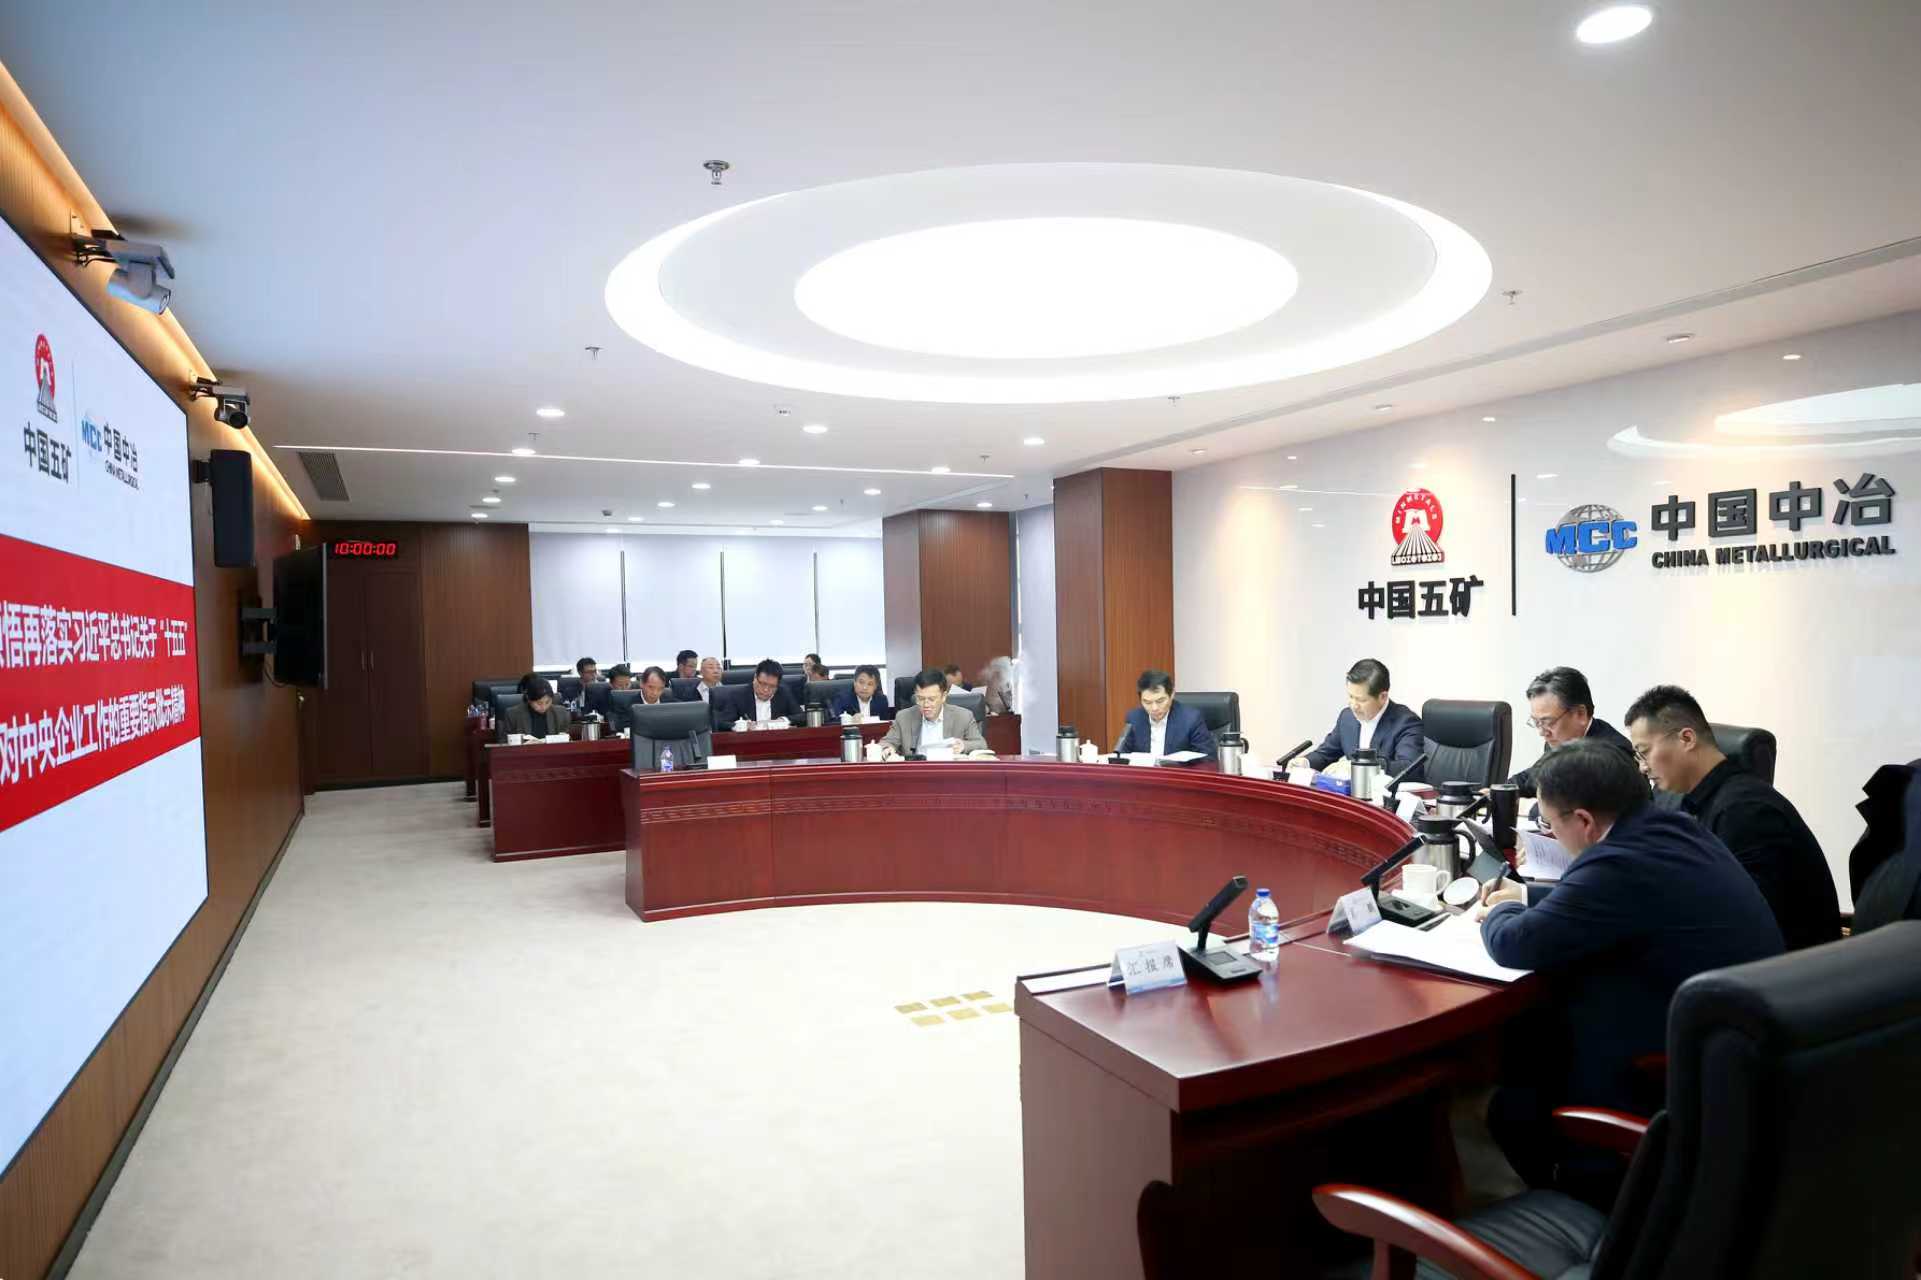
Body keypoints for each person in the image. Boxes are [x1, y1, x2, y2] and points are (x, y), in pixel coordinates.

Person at [1476, 739, 1783, 1196]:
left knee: (1514, 1099)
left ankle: (1581, 1195)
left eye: (1550, 824)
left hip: (1665, 1062)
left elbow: (1512, 944)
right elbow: (1614, 900)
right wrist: (1525, 896)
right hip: (1732, 1050)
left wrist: (1495, 910)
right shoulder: (1673, 826)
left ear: (1583, 821)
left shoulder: (1617, 864)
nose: (1551, 834)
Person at [1623, 684, 1840, 951]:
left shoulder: (1746, 812)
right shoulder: (1689, 803)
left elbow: (1747, 922)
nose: (1642, 767)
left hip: (1788, 967)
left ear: (1687, 739)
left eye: (1644, 752)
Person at [1506, 665, 1634, 797]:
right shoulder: (1560, 741)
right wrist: (1500, 792)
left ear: (1580, 714)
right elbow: (1532, 778)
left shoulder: (1614, 756)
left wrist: (1528, 806)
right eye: (1537, 722)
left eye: (1547, 722)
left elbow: (1575, 804)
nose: (1542, 732)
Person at [1286, 658, 1423, 775]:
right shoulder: (1347, 717)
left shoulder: (1406, 722)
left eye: (1361, 700)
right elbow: (1325, 754)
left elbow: (1409, 767)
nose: (1353, 705)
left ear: (1383, 696)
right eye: (1351, 696)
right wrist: (1306, 762)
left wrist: (1359, 766)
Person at [879, 668, 989, 759]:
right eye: (920, 698)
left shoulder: (963, 716)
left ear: (943, 696)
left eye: (931, 699)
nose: (926, 704)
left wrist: (963, 745)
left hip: (949, 774)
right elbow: (886, 743)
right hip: (915, 774)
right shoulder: (904, 717)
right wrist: (887, 749)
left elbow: (981, 744)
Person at [1115, 669, 1216, 758]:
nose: (1154, 708)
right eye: (1147, 702)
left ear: (1172, 694)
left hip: (1176, 773)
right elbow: (1122, 756)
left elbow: (1208, 760)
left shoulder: (1191, 719)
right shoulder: (1134, 718)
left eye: (1160, 701)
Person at [499, 676, 573, 742]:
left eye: (547, 702)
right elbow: (503, 743)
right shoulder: (513, 714)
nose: (543, 707)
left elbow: (567, 741)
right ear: (528, 698)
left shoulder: (561, 713)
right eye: (539, 703)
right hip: (524, 752)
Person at [742, 658, 802, 724]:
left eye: (772, 686)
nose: (766, 689)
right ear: (755, 678)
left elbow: (802, 716)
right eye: (763, 684)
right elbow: (731, 723)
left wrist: (781, 721)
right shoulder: (739, 695)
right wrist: (743, 725)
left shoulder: (783, 693)